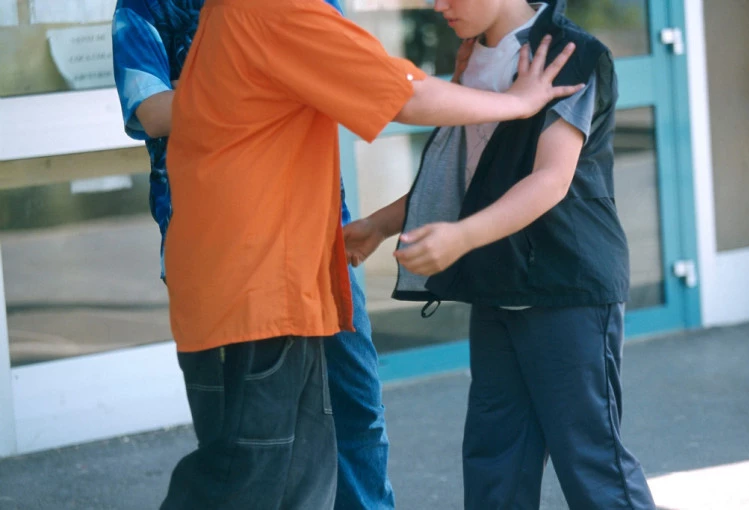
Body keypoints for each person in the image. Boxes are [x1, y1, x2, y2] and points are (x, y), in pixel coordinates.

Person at [115, 0, 580, 507]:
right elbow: (404, 95)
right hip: (257, 287)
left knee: (300, 474)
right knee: (246, 481)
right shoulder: (273, 9)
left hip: (269, 280)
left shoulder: (237, 11)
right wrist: (517, 102)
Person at [343, 0, 657, 508]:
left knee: (591, 462)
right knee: (495, 463)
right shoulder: (471, 58)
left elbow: (551, 179)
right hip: (498, 287)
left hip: (568, 288)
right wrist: (379, 226)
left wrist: (461, 238)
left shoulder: (571, 54)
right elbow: (467, 174)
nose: (438, 6)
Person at [111, 1, 398, 507]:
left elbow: (351, 78)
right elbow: (151, 111)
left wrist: (217, 90)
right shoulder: (146, 6)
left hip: (318, 234)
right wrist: (262, 83)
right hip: (224, 253)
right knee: (245, 447)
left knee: (354, 408)